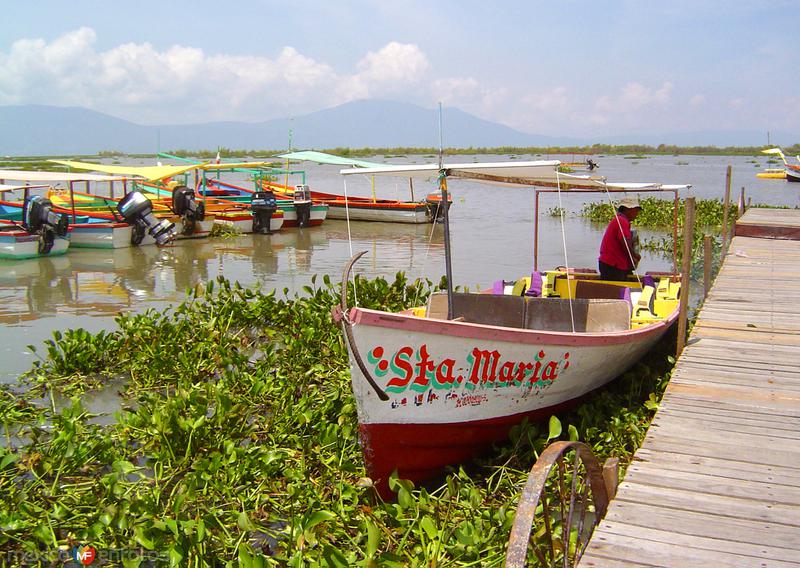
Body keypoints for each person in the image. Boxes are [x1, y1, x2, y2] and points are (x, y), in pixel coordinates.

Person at [598, 195, 641, 281]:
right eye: (635, 210)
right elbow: (625, 242)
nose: (636, 214)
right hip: (613, 264)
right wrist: (634, 256)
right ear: (628, 209)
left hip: (611, 263)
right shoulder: (622, 221)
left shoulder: (620, 220)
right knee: (617, 291)